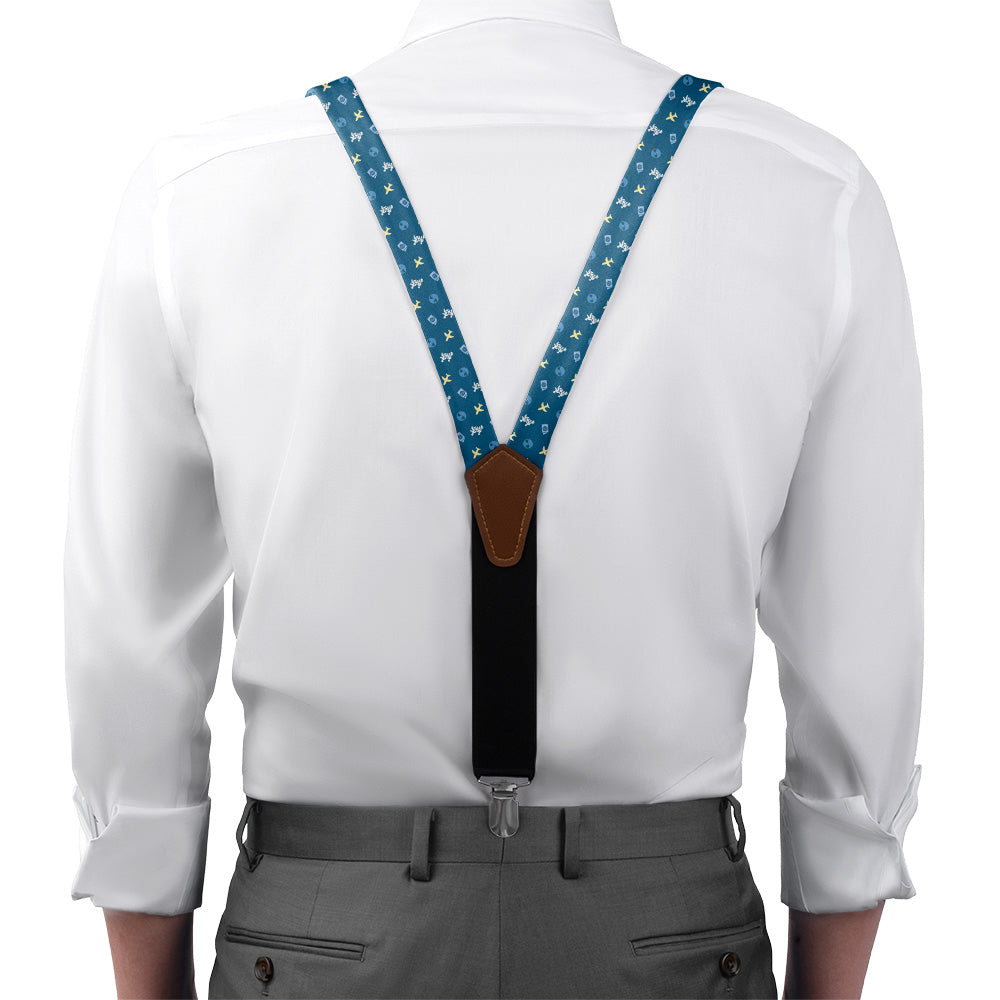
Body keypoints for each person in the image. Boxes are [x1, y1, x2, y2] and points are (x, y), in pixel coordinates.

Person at [63, 1, 924, 998]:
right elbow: (859, 662)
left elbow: (127, 652)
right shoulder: (806, 191)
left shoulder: (200, 192)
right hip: (668, 934)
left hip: (318, 933)